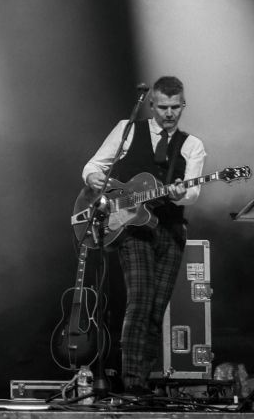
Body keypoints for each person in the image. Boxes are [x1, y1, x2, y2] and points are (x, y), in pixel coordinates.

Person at [82, 76, 206, 395]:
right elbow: (94, 165)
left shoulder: (192, 145)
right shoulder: (128, 129)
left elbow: (193, 192)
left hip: (171, 230)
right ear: (151, 104)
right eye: (163, 107)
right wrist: (95, 177)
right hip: (133, 226)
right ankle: (133, 382)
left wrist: (180, 193)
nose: (169, 113)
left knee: (156, 307)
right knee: (140, 299)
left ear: (183, 105)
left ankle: (142, 380)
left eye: (175, 108)